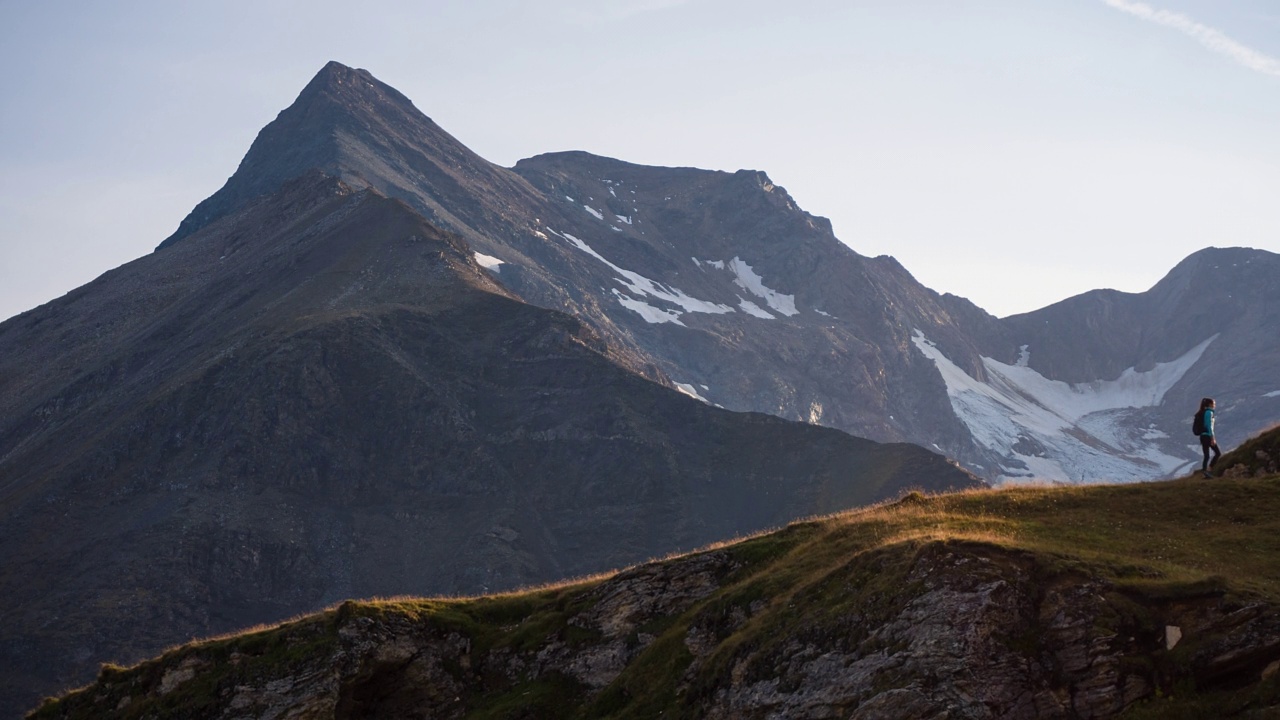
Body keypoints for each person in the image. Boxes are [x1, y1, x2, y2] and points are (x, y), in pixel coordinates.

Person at [1199, 397, 1221, 478]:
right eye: (1213, 404)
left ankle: (1204, 472)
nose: (1214, 405)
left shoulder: (1203, 412)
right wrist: (1212, 437)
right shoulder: (1209, 413)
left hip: (1202, 436)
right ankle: (1209, 469)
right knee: (1218, 453)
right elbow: (1209, 425)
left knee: (1206, 455)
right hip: (1208, 435)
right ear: (1210, 404)